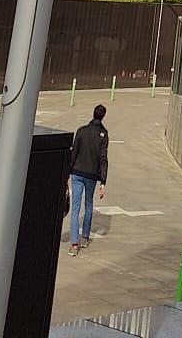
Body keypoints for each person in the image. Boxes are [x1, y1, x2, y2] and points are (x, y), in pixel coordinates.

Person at [68, 102, 109, 254]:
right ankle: (85, 237)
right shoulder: (103, 134)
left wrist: (67, 172)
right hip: (91, 175)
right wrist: (103, 181)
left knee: (75, 208)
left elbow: (74, 153)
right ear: (103, 116)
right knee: (89, 204)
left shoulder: (82, 131)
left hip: (77, 172)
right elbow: (103, 158)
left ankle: (74, 244)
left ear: (93, 114)